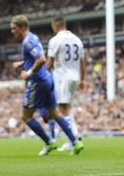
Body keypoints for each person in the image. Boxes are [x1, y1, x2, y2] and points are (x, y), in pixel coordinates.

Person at [10, 15, 84, 156]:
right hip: (48, 79)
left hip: (38, 81)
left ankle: (49, 142)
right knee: (55, 114)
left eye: (14, 28)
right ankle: (76, 142)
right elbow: (38, 55)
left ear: (23, 27)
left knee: (26, 117)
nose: (12, 31)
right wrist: (23, 63)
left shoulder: (27, 42)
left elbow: (41, 59)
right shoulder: (33, 38)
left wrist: (29, 72)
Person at [47, 17, 85, 152]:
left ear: (55, 26)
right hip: (75, 76)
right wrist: (83, 79)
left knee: (62, 111)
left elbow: (49, 63)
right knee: (67, 108)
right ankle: (74, 136)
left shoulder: (55, 40)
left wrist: (44, 74)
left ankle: (73, 139)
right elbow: (82, 61)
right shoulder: (77, 39)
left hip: (62, 77)